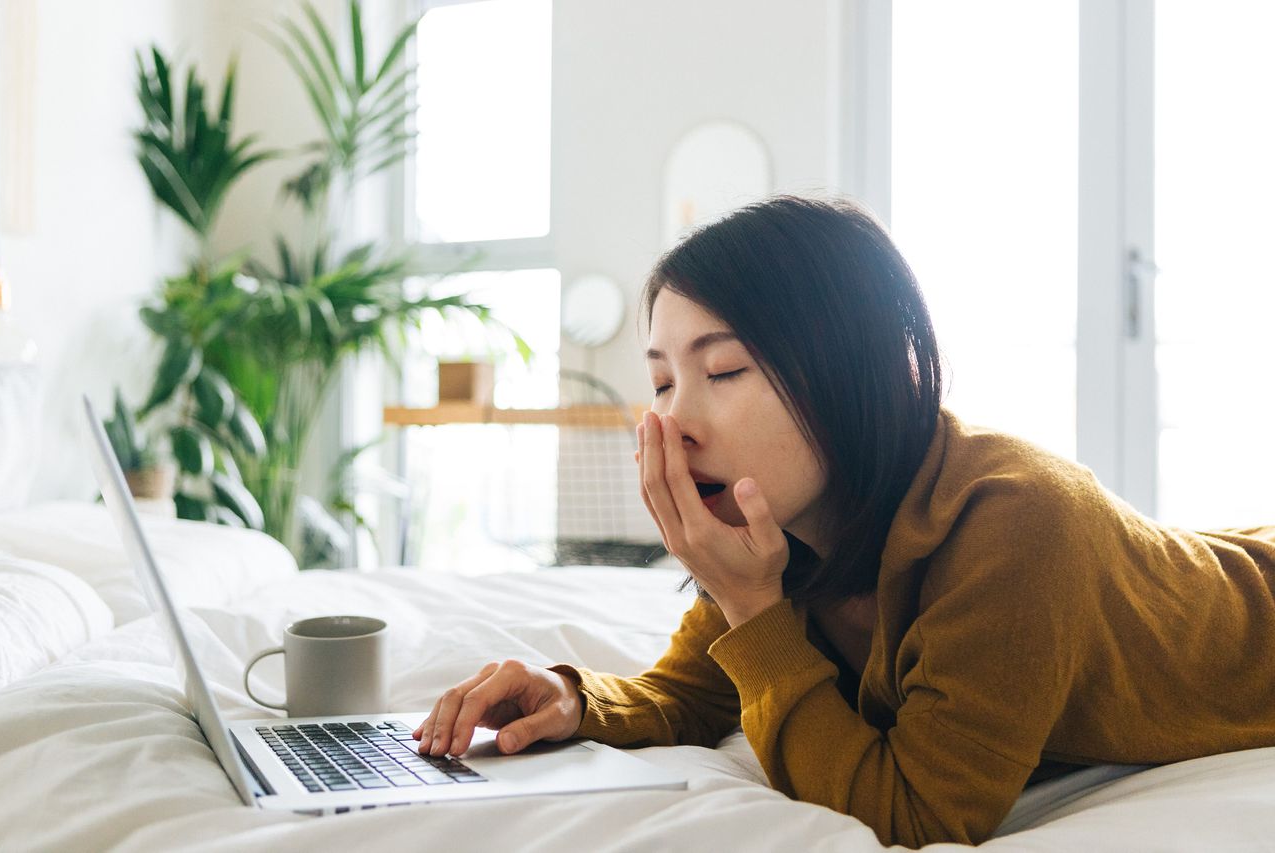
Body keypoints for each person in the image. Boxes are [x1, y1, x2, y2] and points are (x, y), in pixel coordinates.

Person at [413, 194, 1275, 847]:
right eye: (664, 380)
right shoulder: (784, 527)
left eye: (725, 369)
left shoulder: (1015, 521)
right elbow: (697, 688)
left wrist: (753, 607)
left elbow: (919, 811)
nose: (674, 420)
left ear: (850, 369)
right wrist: (568, 697)